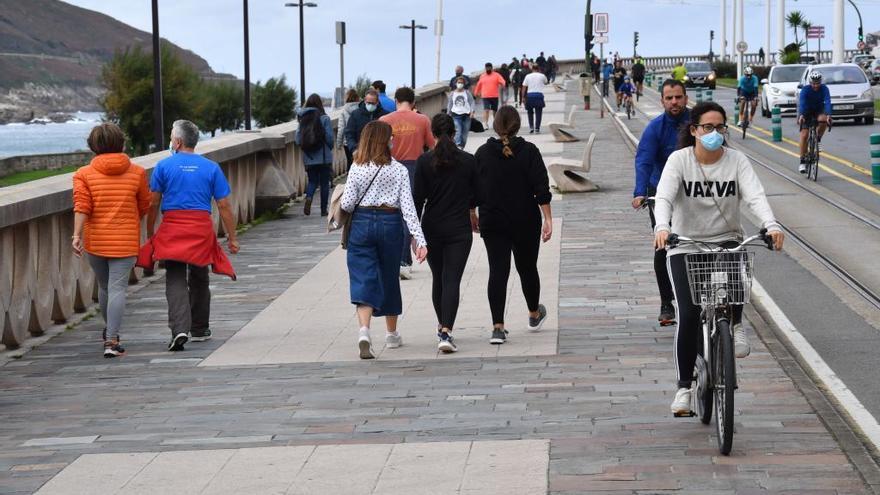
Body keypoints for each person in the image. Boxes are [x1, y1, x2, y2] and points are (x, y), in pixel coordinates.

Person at [652, 101, 784, 415]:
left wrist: (771, 224)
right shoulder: (679, 160)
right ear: (694, 130)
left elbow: (754, 196)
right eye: (708, 127)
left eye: (720, 127)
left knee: (732, 281)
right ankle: (684, 388)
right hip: (685, 245)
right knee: (688, 311)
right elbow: (665, 196)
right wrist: (662, 227)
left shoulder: (737, 161)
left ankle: (735, 324)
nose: (715, 133)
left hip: (726, 241)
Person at [139, 120, 238, 352]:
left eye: (172, 137)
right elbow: (224, 205)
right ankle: (200, 327)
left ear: (178, 141)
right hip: (201, 227)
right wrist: (232, 238)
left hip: (173, 226)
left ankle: (179, 329)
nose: (171, 141)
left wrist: (151, 230)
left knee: (174, 275)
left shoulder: (163, 166)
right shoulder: (211, 168)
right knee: (199, 273)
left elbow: (154, 202)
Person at [342, 120, 428, 359]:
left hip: (362, 223)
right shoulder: (398, 169)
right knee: (389, 277)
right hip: (390, 223)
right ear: (385, 141)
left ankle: (364, 331)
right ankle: (391, 334)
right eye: (391, 137)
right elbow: (409, 208)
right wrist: (420, 240)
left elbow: (348, 203)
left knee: (363, 277)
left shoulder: (357, 168)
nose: (393, 140)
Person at [474, 106, 552, 345]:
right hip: (525, 219)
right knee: (527, 267)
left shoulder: (482, 153)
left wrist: (472, 214)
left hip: (493, 219)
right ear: (518, 125)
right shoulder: (529, 151)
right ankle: (533, 313)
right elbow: (541, 188)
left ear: (495, 126)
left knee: (498, 271)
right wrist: (548, 219)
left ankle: (498, 327)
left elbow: (474, 189)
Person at [72, 123, 150, 358]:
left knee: (105, 287)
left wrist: (77, 235)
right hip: (125, 241)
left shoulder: (83, 174)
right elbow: (144, 205)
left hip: (96, 241)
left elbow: (82, 207)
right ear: (121, 143)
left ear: (93, 146)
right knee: (117, 289)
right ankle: (112, 340)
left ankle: (110, 332)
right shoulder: (137, 172)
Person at [413, 114, 479, 353]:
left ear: (432, 133)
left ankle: (442, 325)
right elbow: (477, 194)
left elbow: (417, 200)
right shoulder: (469, 161)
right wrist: (471, 209)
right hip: (459, 228)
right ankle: (446, 331)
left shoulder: (423, 162)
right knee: (452, 279)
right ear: (454, 133)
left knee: (438, 277)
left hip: (432, 226)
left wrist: (415, 234)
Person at [632, 79, 691, 327]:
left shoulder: (696, 124)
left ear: (686, 98)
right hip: (661, 193)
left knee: (701, 242)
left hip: (692, 191)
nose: (674, 102)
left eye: (678, 97)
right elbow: (644, 159)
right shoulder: (655, 128)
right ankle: (667, 302)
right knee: (663, 244)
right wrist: (639, 191)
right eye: (669, 98)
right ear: (662, 100)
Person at [380, 86, 436, 280]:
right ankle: (404, 260)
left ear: (396, 101)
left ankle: (393, 259)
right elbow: (432, 146)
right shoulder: (422, 120)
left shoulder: (384, 121)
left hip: (390, 168)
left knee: (390, 214)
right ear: (413, 103)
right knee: (409, 215)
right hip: (415, 168)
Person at [295, 93, 335, 216]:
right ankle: (323, 210)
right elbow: (329, 138)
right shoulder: (324, 118)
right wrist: (329, 148)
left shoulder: (302, 118)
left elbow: (297, 139)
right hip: (323, 157)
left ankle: (309, 197)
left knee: (312, 181)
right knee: (324, 184)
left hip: (309, 157)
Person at [797, 71, 832, 174]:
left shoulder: (824, 89)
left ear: (820, 82)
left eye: (817, 83)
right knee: (804, 135)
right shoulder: (805, 90)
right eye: (813, 83)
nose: (816, 85)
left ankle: (818, 138)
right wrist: (802, 115)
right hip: (807, 111)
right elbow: (802, 103)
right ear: (810, 82)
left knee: (823, 119)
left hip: (818, 110)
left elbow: (828, 101)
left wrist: (829, 114)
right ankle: (802, 160)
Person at [344, 89, 388, 158]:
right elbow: (349, 133)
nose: (370, 105)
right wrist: (354, 149)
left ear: (377, 102)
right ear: (365, 100)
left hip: (380, 154)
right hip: (360, 153)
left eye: (373, 103)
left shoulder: (385, 115)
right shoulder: (355, 114)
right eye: (368, 103)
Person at [447, 76, 475, 148]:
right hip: (455, 115)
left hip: (466, 116)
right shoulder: (452, 93)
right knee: (458, 131)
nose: (460, 84)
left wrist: (472, 112)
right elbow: (450, 104)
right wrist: (448, 114)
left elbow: (472, 102)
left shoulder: (467, 93)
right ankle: (458, 146)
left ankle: (461, 147)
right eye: (459, 82)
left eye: (462, 83)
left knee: (464, 135)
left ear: (464, 84)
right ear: (456, 83)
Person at [338, 89, 361, 169]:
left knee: (350, 162)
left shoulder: (344, 110)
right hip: (360, 140)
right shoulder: (361, 108)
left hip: (347, 141)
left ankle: (350, 179)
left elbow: (341, 128)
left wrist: (339, 144)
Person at [522, 63, 548, 134]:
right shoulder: (542, 75)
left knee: (530, 112)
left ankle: (531, 127)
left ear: (532, 68)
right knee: (538, 113)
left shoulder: (528, 76)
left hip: (529, 95)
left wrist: (523, 97)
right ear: (538, 68)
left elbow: (524, 87)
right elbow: (546, 82)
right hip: (539, 95)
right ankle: (537, 128)